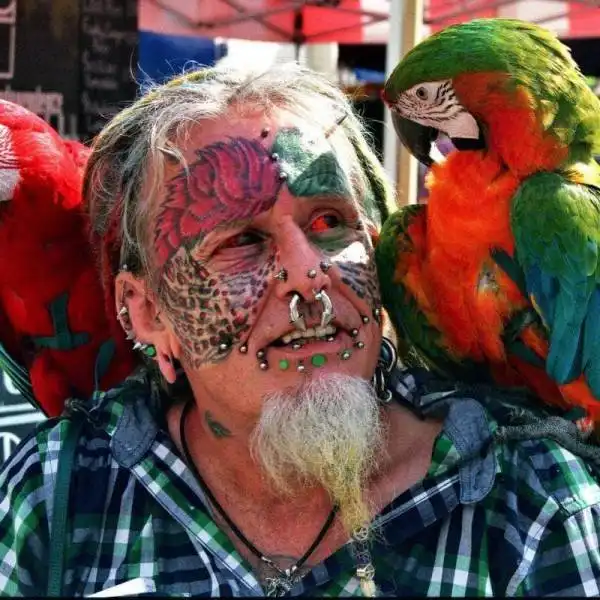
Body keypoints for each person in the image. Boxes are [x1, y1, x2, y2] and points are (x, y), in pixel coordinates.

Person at [1, 63, 600, 598]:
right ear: (148, 313)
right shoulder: (55, 494)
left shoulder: (535, 500)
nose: (309, 273)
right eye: (243, 240)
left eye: (330, 221)